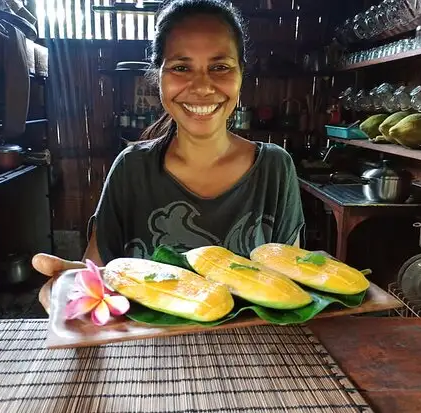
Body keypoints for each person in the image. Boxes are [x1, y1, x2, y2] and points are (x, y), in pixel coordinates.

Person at [33, 0, 305, 312]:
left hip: (258, 354)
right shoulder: (131, 170)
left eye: (220, 67)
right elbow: (97, 276)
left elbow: (294, 286)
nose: (202, 86)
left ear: (241, 74)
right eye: (180, 67)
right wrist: (70, 287)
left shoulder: (274, 168)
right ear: (157, 75)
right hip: (148, 357)